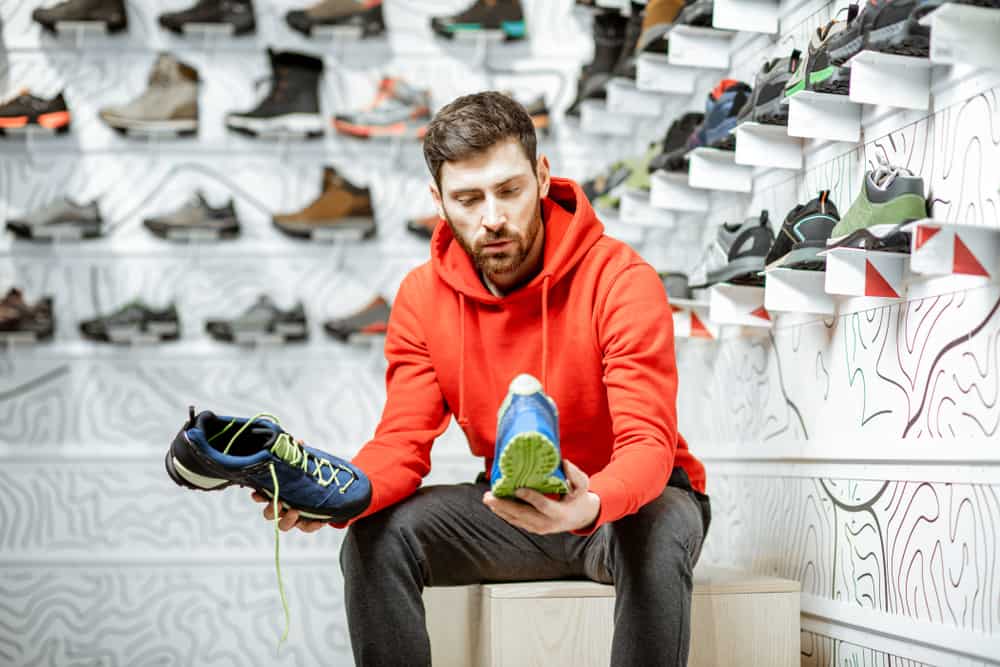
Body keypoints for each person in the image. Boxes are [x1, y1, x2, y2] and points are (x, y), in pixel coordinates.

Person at [252, 91, 710, 666]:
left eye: (509, 190)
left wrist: (592, 502)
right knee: (375, 537)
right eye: (468, 198)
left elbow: (648, 444)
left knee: (660, 522)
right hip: (514, 509)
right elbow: (401, 443)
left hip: (621, 508)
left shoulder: (622, 280)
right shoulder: (421, 298)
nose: (492, 217)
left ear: (542, 177)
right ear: (438, 202)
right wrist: (337, 496)